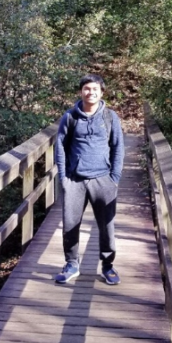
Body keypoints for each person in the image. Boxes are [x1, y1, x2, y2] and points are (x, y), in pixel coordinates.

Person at [54, 74, 125, 285]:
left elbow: (118, 147)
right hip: (75, 180)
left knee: (106, 225)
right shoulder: (70, 117)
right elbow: (60, 147)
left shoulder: (110, 117)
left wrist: (115, 178)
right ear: (81, 92)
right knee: (70, 224)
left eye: (95, 89)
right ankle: (71, 264)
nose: (90, 92)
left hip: (103, 179)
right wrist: (64, 177)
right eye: (86, 88)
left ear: (101, 92)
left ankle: (108, 266)